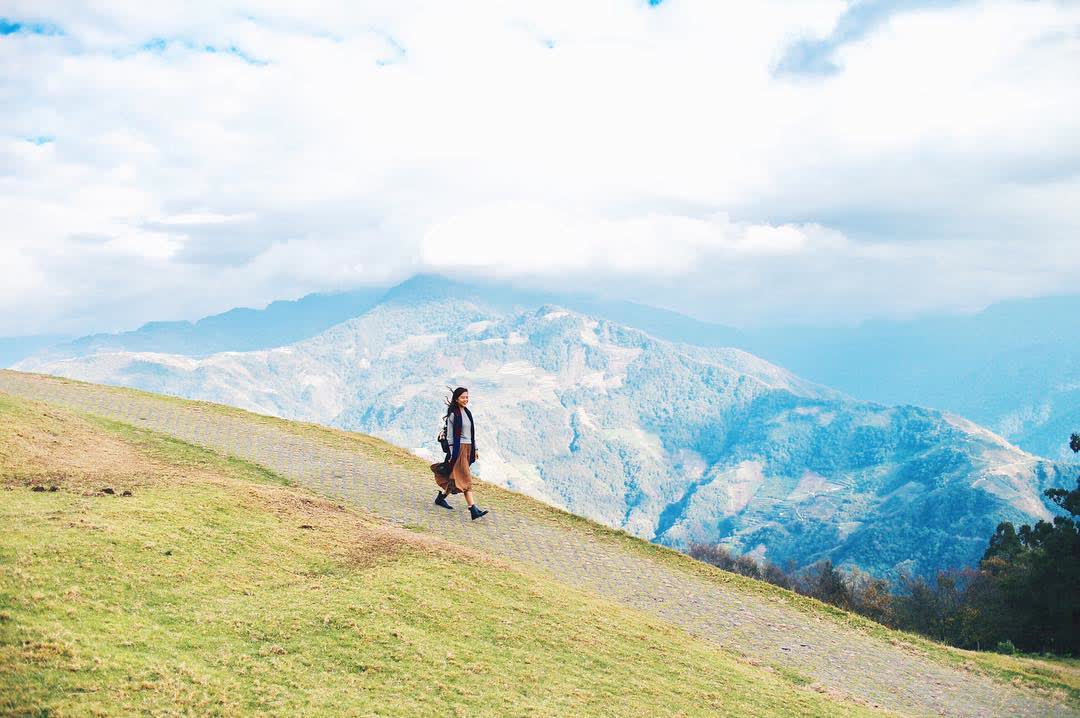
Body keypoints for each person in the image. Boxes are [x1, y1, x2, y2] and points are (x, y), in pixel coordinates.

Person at [432, 386, 488, 520]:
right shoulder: (453, 414)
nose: (465, 399)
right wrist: (452, 453)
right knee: (465, 478)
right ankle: (473, 509)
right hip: (459, 449)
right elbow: (450, 436)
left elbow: (472, 434)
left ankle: (441, 498)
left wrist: (476, 449)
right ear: (456, 399)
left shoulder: (467, 412)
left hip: (468, 448)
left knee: (455, 476)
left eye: (467, 397)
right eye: (463, 397)